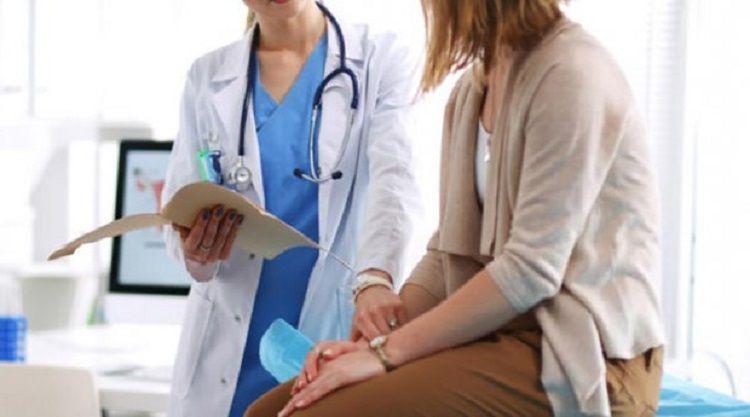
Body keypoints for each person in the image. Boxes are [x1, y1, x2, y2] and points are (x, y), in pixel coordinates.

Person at [244, 1, 665, 416]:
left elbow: (529, 270)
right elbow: (448, 250)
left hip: (582, 353)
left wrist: (385, 354)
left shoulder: (570, 72)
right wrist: (372, 340)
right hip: (503, 337)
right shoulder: (474, 88)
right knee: (269, 411)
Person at [161, 0, 419, 416]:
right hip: (225, 354)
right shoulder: (207, 77)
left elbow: (396, 180)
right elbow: (177, 206)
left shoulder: (378, 60)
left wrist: (376, 276)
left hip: (326, 335)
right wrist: (195, 249)